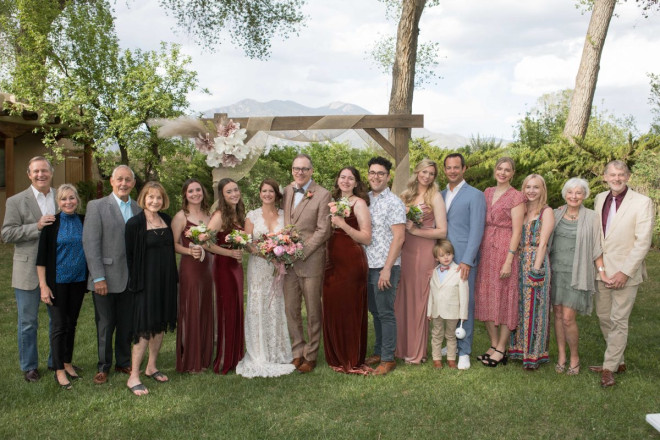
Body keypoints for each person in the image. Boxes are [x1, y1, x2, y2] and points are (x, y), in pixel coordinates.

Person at [589, 160, 654, 388]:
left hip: (626, 272)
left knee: (619, 320)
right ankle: (619, 361)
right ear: (605, 176)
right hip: (603, 272)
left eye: (621, 174)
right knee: (604, 317)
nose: (616, 178)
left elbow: (643, 242)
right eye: (612, 174)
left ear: (627, 177)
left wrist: (625, 272)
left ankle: (608, 368)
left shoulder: (643, 202)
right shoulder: (599, 198)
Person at [83, 165, 140, 385]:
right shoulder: (97, 206)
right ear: (112, 182)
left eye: (128, 180)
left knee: (127, 322)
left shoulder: (138, 208)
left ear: (133, 184)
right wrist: (98, 277)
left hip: (130, 279)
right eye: (120, 179)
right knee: (105, 324)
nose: (124, 183)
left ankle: (123, 361)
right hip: (104, 278)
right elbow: (90, 243)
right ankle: (103, 366)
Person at [2, 156, 56, 382]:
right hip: (27, 272)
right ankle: (30, 366)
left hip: (57, 269)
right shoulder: (16, 201)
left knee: (59, 320)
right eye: (36, 171)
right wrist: (36, 227)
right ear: (29, 174)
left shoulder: (61, 197)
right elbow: (6, 234)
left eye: (44, 170)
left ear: (51, 172)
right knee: (28, 322)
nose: (40, 175)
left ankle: (57, 362)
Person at [236, 179, 297, 378]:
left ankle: (276, 349)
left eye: (271, 191)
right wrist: (267, 254)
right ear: (260, 193)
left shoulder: (283, 215)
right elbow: (247, 243)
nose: (267, 194)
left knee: (277, 304)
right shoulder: (252, 215)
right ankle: (259, 351)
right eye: (264, 191)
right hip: (259, 266)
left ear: (276, 194)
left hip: (278, 268)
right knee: (258, 304)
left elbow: (289, 239)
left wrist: (280, 254)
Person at [124, 182, 178, 396]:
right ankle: (133, 376)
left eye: (158, 197)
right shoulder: (134, 224)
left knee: (160, 324)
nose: (154, 201)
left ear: (163, 200)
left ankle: (151, 366)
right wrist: (136, 285)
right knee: (144, 328)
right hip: (145, 283)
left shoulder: (167, 220)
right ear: (143, 198)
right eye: (150, 197)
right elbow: (129, 257)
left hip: (165, 281)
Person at [282, 154, 332, 373]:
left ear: (312, 171)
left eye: (304, 169)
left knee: (312, 310)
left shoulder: (323, 194)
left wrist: (302, 251)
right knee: (291, 308)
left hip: (310, 260)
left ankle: (311, 354)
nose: (299, 172)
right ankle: (297, 351)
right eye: (296, 168)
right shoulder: (286, 191)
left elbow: (323, 230)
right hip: (287, 262)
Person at [474, 157, 525, 368]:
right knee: (485, 295)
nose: (502, 173)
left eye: (507, 170)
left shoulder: (516, 196)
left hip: (505, 250)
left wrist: (509, 259)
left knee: (504, 297)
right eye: (500, 169)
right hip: (486, 250)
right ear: (495, 171)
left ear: (513, 174)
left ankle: (502, 347)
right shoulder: (486, 193)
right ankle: (494, 345)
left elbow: (517, 230)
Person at [395, 159, 447, 364]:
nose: (427, 176)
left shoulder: (435, 196)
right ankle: (402, 348)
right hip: (405, 250)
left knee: (419, 300)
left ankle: (417, 353)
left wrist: (416, 230)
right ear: (417, 172)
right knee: (403, 298)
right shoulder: (406, 195)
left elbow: (443, 230)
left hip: (424, 251)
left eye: (431, 173)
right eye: (424, 172)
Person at [549, 178, 604, 376]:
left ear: (585, 195)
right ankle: (561, 356)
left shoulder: (592, 217)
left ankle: (574, 357)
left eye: (579, 192)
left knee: (568, 318)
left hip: (576, 274)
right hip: (555, 271)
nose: (574, 196)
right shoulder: (555, 214)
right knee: (556, 314)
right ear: (565, 194)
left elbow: (597, 248)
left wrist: (602, 272)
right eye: (570, 192)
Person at [36, 184, 87, 389]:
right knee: (58, 326)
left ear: (77, 200)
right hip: (56, 283)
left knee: (71, 324)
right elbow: (41, 259)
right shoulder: (51, 224)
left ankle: (67, 362)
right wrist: (43, 286)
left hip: (78, 281)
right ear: (58, 202)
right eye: (64, 199)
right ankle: (58, 369)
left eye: (72, 198)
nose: (68, 202)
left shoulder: (84, 221)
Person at [322, 167, 372, 374]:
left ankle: (351, 357)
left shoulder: (359, 203)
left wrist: (343, 224)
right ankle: (336, 355)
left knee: (350, 308)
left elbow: (366, 238)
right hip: (332, 261)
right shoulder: (332, 201)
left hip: (351, 262)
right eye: (342, 177)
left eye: (350, 178)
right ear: (337, 179)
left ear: (356, 183)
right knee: (334, 306)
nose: (346, 181)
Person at [441, 153, 486, 370]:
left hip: (463, 260)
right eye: (448, 167)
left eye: (456, 167)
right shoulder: (439, 195)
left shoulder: (475, 195)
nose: (452, 171)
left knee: (465, 304)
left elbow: (477, 230)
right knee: (447, 302)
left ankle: (464, 350)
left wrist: (468, 260)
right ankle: (451, 344)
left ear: (464, 169)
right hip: (443, 259)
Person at [364, 156, 406, 376]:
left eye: (380, 173)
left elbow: (399, 238)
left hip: (385, 266)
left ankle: (388, 359)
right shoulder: (365, 199)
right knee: (375, 311)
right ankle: (379, 351)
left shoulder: (394, 203)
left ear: (388, 177)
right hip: (367, 265)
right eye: (372, 172)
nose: (376, 176)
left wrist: (387, 268)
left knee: (386, 313)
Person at [509, 174, 554, 370]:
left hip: (537, 261)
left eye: (536, 187)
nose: (531, 191)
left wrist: (536, 269)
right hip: (519, 261)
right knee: (519, 306)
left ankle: (534, 354)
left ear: (542, 189)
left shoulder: (547, 212)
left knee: (535, 308)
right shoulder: (522, 210)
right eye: (528, 187)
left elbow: (543, 242)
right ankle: (518, 349)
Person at [171, 179, 213, 373]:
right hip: (190, 267)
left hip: (207, 268)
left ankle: (204, 357)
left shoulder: (209, 215)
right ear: (185, 195)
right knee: (191, 309)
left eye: (198, 189)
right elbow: (173, 245)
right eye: (191, 191)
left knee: (204, 308)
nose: (195, 193)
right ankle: (190, 359)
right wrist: (190, 251)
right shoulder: (181, 216)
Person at [206, 178, 246, 375]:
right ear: (222, 195)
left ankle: (237, 355)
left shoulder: (238, 214)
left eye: (236, 190)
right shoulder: (220, 215)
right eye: (229, 192)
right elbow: (206, 243)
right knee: (227, 310)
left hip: (236, 268)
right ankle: (224, 359)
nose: (234, 194)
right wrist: (229, 253)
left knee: (237, 308)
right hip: (223, 267)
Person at [426, 239, 468, 370]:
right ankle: (436, 359)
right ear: (436, 258)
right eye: (442, 255)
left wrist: (463, 314)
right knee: (436, 334)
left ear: (453, 254)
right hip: (436, 310)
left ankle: (451, 359)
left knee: (450, 336)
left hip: (452, 311)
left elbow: (464, 295)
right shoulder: (434, 272)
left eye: (448, 254)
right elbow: (431, 293)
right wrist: (429, 311)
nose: (446, 257)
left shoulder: (459, 271)